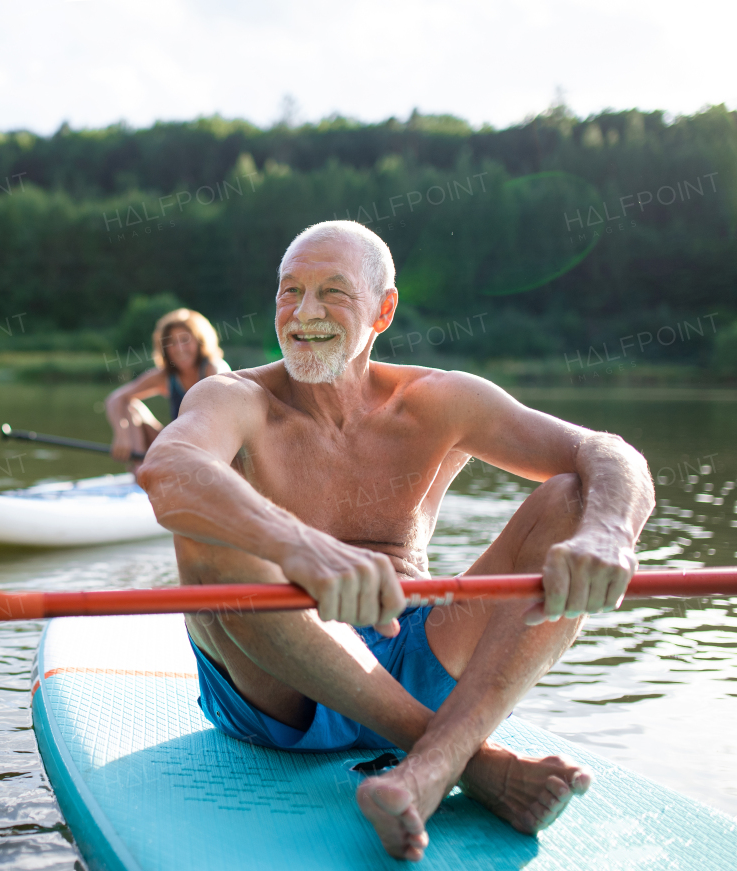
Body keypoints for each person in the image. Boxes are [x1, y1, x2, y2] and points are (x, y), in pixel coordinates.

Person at [135, 221, 653, 862]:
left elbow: (605, 451)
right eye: (289, 292)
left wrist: (608, 532)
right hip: (278, 687)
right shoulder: (235, 398)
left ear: (384, 310)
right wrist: (300, 547)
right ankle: (466, 758)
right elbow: (169, 471)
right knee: (204, 532)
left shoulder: (438, 401)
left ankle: (428, 766)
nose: (304, 313)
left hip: (412, 651)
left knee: (575, 499)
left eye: (333, 293)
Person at [106, 308, 231, 463]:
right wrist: (122, 435)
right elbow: (115, 398)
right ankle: (139, 464)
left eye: (185, 340)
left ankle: (147, 468)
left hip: (213, 453)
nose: (179, 348)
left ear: (199, 342)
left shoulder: (214, 369)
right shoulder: (165, 376)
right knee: (130, 406)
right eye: (172, 342)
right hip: (178, 450)